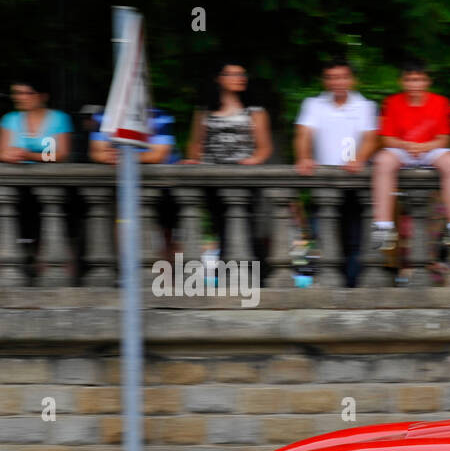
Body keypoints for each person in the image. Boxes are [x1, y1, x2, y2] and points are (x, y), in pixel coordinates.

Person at [370, 60, 450, 262]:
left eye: (418, 80)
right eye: (410, 80)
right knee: (382, 161)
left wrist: (424, 147)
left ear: (427, 82)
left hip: (431, 148)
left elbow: (444, 138)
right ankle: (383, 226)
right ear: (402, 82)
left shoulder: (440, 102)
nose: (414, 84)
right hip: (402, 148)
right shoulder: (393, 102)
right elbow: (386, 138)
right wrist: (407, 145)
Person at [295, 58, 378, 287]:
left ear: (352, 80)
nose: (337, 82)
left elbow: (371, 138)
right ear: (325, 80)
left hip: (354, 182)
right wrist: (303, 157)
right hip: (324, 183)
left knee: (354, 241)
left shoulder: (365, 106)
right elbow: (304, 134)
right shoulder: (313, 104)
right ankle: (332, 289)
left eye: (342, 77)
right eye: (331, 77)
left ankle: (351, 290)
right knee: (326, 239)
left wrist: (358, 159)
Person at [182, 62, 274, 262]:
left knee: (247, 228)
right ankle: (227, 272)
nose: (239, 78)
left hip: (243, 178)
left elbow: (264, 147)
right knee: (221, 227)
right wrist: (193, 161)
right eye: (232, 74)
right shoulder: (204, 110)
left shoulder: (254, 110)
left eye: (242, 74)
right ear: (219, 79)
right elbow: (196, 142)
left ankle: (254, 276)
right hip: (213, 177)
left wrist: (253, 161)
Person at [2, 75, 74, 281]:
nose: (20, 97)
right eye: (17, 93)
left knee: (52, 232)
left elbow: (60, 154)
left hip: (51, 187)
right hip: (17, 187)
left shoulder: (58, 119)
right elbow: (3, 151)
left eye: (26, 92)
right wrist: (8, 155)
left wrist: (28, 155)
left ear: (42, 96)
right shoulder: (10, 120)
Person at [89, 106, 181, 260]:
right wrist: (139, 156)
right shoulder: (104, 115)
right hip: (121, 186)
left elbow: (159, 155)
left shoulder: (160, 115)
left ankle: (171, 276)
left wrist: (125, 157)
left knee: (168, 235)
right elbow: (97, 153)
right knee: (121, 225)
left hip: (161, 188)